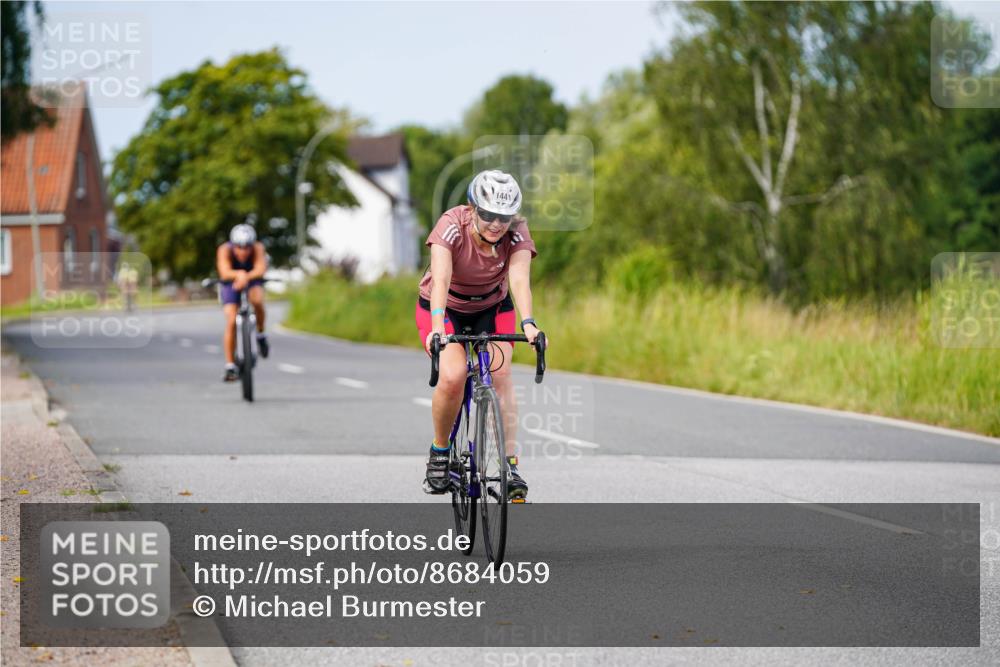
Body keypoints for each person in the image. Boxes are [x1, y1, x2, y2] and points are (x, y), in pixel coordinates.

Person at [416, 170, 546, 500]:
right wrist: (436, 328)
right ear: (472, 208)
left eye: (503, 217)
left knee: (501, 377)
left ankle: (509, 464)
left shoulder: (516, 231)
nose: (495, 224)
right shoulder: (451, 225)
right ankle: (441, 452)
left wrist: (529, 322)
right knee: (454, 375)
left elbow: (518, 279)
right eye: (487, 215)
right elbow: (441, 281)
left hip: (493, 307)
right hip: (445, 309)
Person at [217, 223, 269, 382]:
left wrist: (245, 277)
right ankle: (230, 365)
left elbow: (260, 269)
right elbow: (225, 272)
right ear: (233, 245)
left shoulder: (258, 248)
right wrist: (239, 274)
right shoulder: (224, 250)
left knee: (258, 301)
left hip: (252, 280)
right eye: (239, 247)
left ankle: (260, 333)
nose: (243, 251)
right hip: (230, 282)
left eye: (247, 247)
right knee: (231, 320)